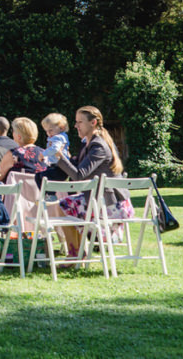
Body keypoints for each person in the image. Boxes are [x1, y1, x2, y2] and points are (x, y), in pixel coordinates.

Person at [54, 105, 134, 257]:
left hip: (111, 206)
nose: (76, 125)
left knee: (64, 206)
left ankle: (76, 255)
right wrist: (64, 158)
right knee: (65, 205)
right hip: (103, 202)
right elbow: (78, 166)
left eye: (80, 122)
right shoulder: (92, 143)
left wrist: (59, 157)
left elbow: (79, 175)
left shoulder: (98, 145)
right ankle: (77, 253)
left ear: (93, 123)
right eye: (76, 122)